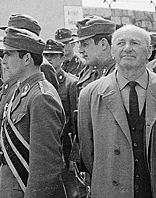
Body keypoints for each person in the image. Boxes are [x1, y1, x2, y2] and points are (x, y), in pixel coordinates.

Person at [78, 24, 156, 198]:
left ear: (149, 51)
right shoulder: (90, 95)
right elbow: (88, 153)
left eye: (135, 43)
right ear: (113, 51)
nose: (127, 48)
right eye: (121, 43)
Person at [0, 27, 65, 198]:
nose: (3, 61)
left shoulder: (41, 97)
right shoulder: (20, 91)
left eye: (9, 54)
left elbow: (45, 166)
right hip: (11, 184)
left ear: (26, 59)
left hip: (24, 188)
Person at [43, 39, 79, 198]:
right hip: (51, 145)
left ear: (62, 57)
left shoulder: (71, 83)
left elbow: (75, 120)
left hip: (66, 144)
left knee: (71, 189)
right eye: (46, 55)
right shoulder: (42, 82)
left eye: (53, 55)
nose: (49, 59)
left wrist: (74, 154)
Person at [74, 16, 116, 94]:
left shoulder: (119, 74)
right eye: (80, 45)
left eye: (85, 44)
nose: (80, 51)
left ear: (103, 44)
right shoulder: (87, 71)